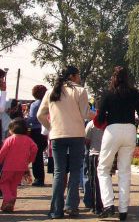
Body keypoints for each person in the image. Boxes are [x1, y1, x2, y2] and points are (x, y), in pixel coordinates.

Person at [96, 66, 139, 221]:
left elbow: (100, 119)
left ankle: (108, 204)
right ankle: (123, 209)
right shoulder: (134, 93)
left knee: (103, 169)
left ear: (113, 77)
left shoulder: (108, 94)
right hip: (130, 130)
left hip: (112, 130)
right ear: (127, 78)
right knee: (124, 171)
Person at [37, 65, 90, 219]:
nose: (79, 78)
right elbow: (86, 113)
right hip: (76, 135)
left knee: (59, 173)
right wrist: (99, 115)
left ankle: (56, 210)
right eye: (78, 75)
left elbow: (41, 115)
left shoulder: (51, 91)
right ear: (73, 76)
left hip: (57, 135)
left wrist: (51, 127)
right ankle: (72, 207)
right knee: (74, 172)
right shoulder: (80, 91)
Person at [0, 118, 37, 212]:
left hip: (8, 167)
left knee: (3, 183)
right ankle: (8, 206)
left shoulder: (9, 140)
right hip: (21, 167)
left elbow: (2, 153)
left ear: (12, 129)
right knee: (13, 185)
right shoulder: (28, 140)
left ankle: (8, 198)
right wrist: (29, 160)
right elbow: (35, 149)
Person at [26, 84, 48, 186]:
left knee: (36, 156)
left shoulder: (35, 105)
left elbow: (32, 119)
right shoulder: (47, 103)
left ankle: (38, 178)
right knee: (39, 155)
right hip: (44, 131)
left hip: (35, 132)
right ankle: (40, 178)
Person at [84, 118, 104, 215]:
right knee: (105, 181)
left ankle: (97, 206)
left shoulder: (91, 124)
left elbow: (87, 140)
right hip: (107, 155)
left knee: (95, 182)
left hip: (95, 154)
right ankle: (105, 203)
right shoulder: (110, 123)